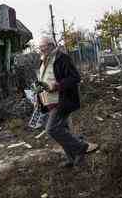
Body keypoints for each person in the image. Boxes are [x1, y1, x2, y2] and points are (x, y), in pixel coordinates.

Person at [38, 37, 89, 168]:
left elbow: (75, 77)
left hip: (62, 100)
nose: (40, 49)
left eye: (42, 46)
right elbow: (45, 79)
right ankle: (72, 159)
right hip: (50, 101)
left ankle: (80, 147)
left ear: (50, 45)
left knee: (52, 129)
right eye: (40, 47)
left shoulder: (62, 58)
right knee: (63, 128)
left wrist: (58, 85)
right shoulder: (44, 60)